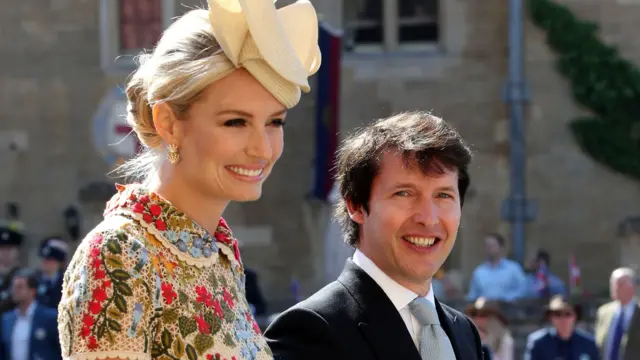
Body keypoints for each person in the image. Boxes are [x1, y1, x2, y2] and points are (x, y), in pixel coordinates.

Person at [57, 0, 321, 359]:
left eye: (275, 122)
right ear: (167, 123)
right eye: (235, 122)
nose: (262, 149)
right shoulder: (120, 253)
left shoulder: (216, 252)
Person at [265, 111, 484, 359]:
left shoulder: (464, 332)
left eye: (443, 195)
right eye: (404, 193)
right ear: (356, 206)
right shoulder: (309, 331)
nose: (429, 218)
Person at [0, 269, 61, 360]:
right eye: (13, 287)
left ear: (32, 291)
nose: (15, 290)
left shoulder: (50, 318)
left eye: (20, 287)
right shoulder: (7, 319)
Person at [524, 295, 599, 360]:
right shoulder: (538, 343)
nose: (563, 319)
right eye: (557, 314)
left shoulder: (588, 344)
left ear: (575, 316)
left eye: (567, 314)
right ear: (550, 317)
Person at [595, 267, 640, 360]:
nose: (614, 287)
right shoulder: (603, 312)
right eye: (612, 283)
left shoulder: (637, 310)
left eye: (619, 283)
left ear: (632, 287)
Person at [36, 236, 68, 310]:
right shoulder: (35, 279)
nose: (45, 262)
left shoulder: (65, 281)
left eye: (49, 260)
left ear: (59, 262)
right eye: (43, 259)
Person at [0, 227, 22, 315]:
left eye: (9, 249)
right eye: (1, 248)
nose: (5, 253)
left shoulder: (25, 277)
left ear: (17, 251)